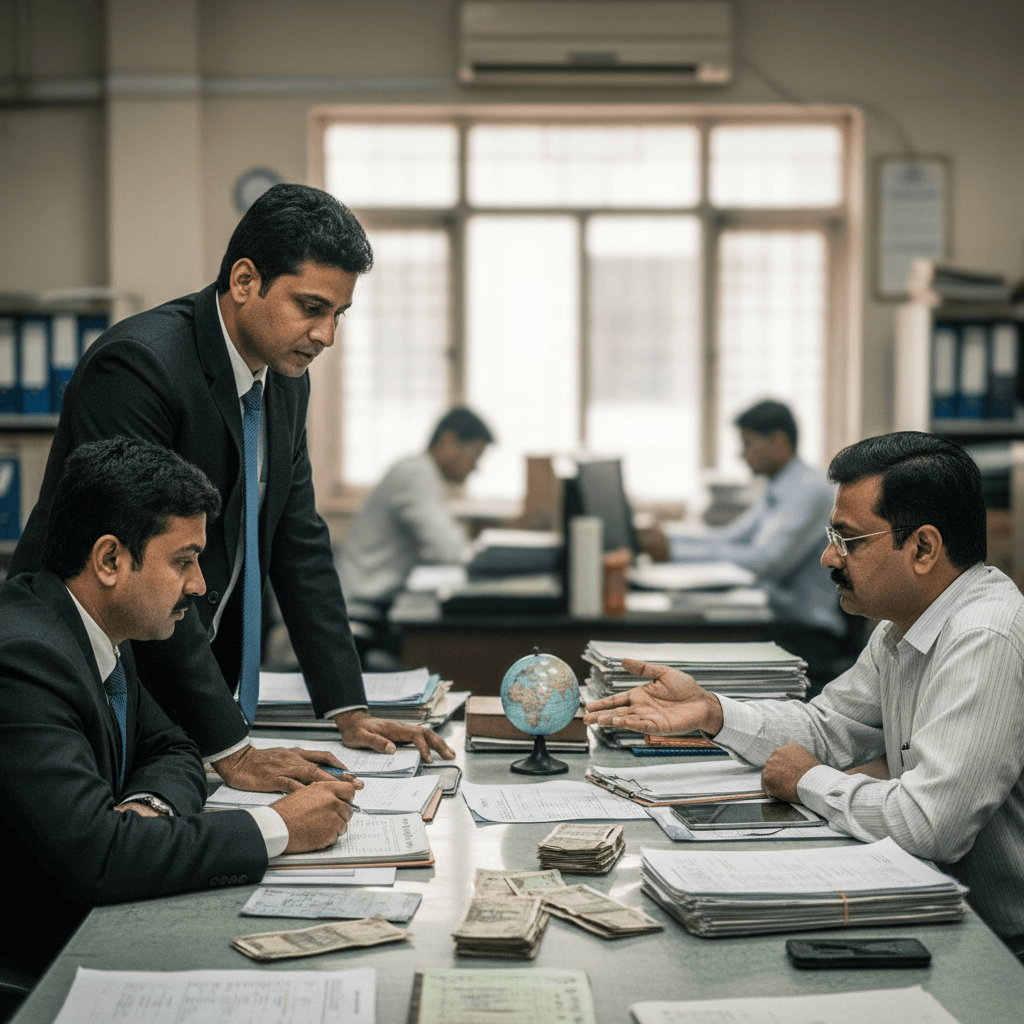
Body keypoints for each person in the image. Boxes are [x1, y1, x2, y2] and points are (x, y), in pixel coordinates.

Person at [9, 184, 455, 790]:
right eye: (311, 307)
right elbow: (142, 571)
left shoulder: (284, 378)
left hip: (197, 685)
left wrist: (347, 708)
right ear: (245, 281)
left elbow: (299, 542)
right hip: (96, 677)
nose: (326, 335)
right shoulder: (140, 368)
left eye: (338, 315)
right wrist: (232, 748)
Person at [585, 431, 1024, 954]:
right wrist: (712, 711)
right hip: (942, 908)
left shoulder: (984, 637)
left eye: (848, 540)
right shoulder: (902, 626)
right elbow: (827, 727)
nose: (828, 559)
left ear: (923, 548)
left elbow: (930, 825)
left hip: (1000, 946)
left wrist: (808, 780)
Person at [0, 438, 360, 974]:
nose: (200, 584)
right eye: (184, 561)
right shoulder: (25, 658)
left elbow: (173, 747)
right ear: (109, 559)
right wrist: (277, 828)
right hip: (39, 957)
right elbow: (97, 859)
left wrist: (147, 811)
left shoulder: (101, 633)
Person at [338, 407, 494, 637]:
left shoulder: (421, 473)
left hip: (373, 601)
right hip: (360, 608)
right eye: (476, 453)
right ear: (449, 441)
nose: (476, 467)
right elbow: (449, 550)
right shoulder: (415, 474)